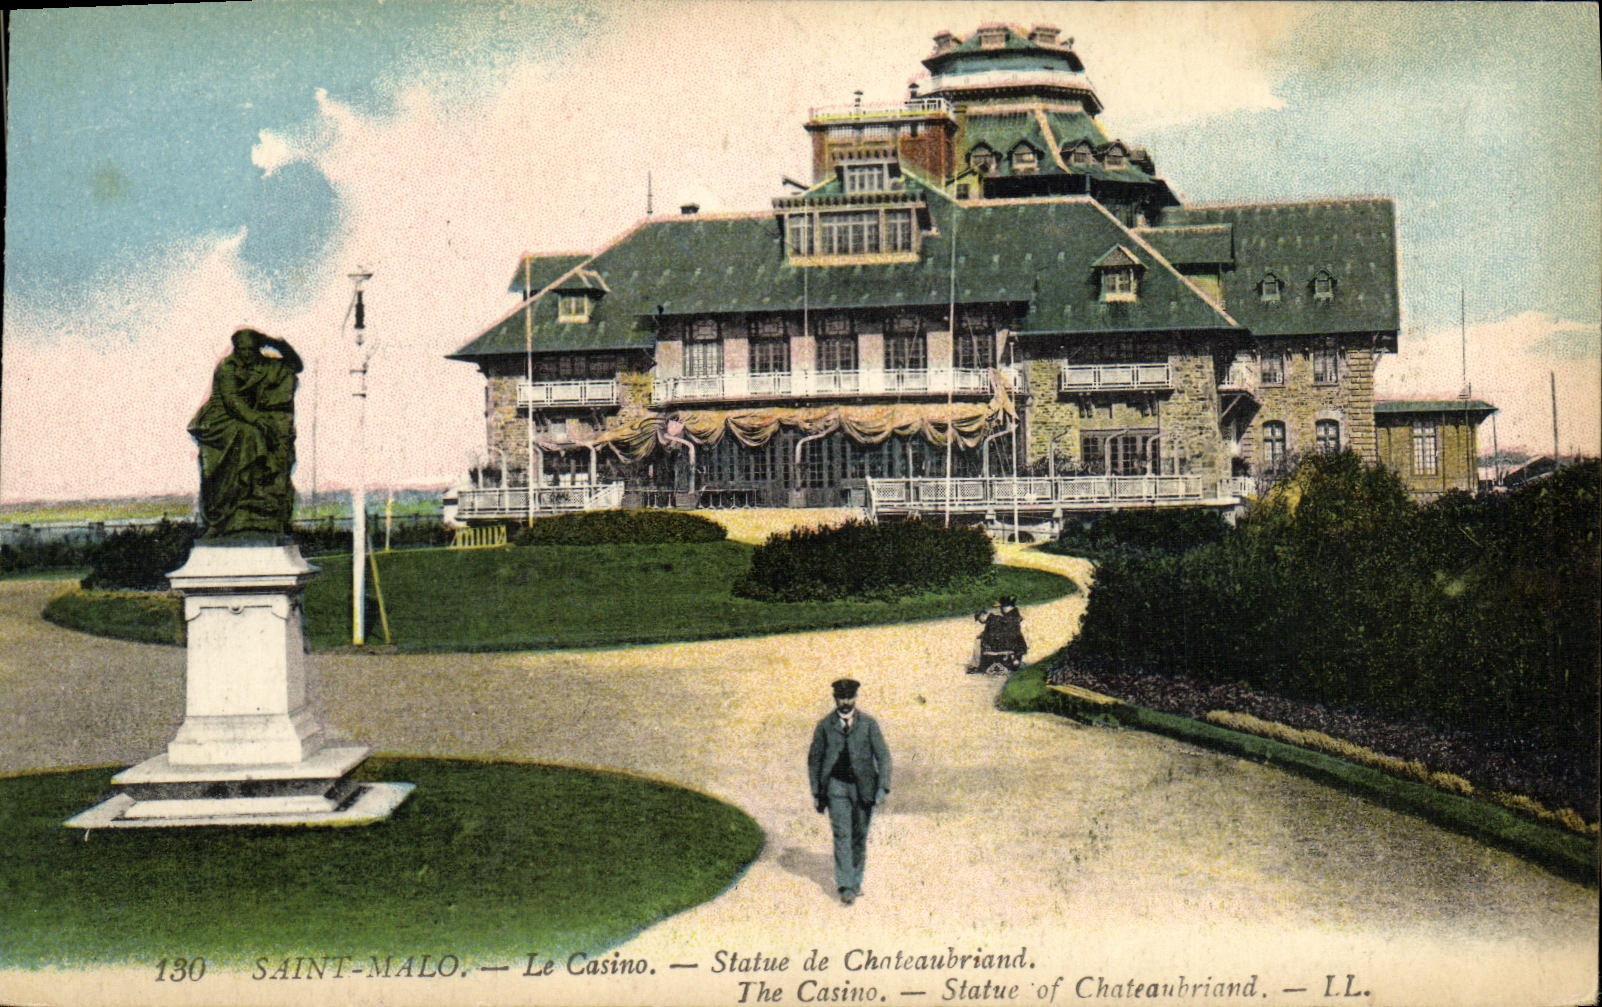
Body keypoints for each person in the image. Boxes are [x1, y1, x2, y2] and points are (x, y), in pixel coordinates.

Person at [188, 328, 304, 538]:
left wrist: (277, 344)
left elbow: (296, 365)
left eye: (251, 349)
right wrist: (257, 419)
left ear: (258, 348)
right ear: (236, 349)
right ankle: (238, 502)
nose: (246, 354)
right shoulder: (227, 367)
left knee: (262, 436)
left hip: (248, 417)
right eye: (242, 349)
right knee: (250, 434)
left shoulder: (264, 364)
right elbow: (232, 401)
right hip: (221, 419)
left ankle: (259, 500)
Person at [806, 677, 891, 906]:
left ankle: (855, 880)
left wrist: (882, 787)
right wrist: (817, 792)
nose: (846, 702)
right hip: (836, 787)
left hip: (864, 788)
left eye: (849, 697)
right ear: (835, 698)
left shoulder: (869, 724)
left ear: (855, 697)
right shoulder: (825, 726)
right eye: (841, 698)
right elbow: (814, 760)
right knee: (842, 835)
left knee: (858, 836)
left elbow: (883, 756)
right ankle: (845, 885)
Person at [969, 596, 1027, 673]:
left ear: (982, 615)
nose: (1000, 609)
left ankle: (975, 666)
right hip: (1017, 645)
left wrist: (984, 637)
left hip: (1006, 645)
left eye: (979, 619)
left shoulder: (994, 619)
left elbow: (994, 635)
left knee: (978, 641)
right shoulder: (1013, 616)